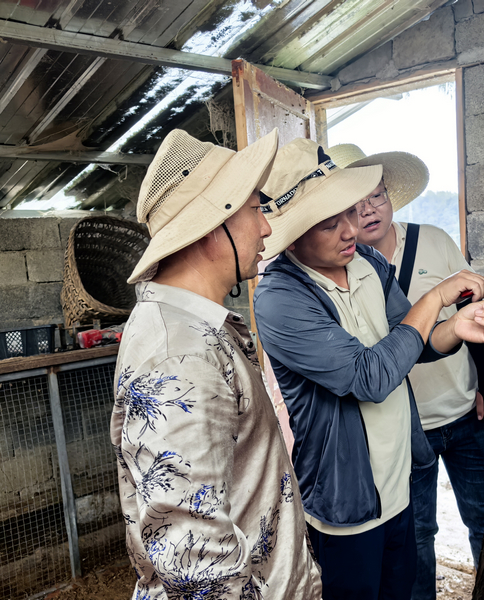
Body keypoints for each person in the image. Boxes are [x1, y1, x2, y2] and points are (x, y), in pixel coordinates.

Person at [252, 138, 484, 600]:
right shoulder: (280, 299)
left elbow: (409, 342)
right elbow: (370, 378)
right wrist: (435, 298)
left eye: (349, 214)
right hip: (347, 504)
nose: (351, 229)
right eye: (331, 223)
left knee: (404, 586)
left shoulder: (367, 263)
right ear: (293, 234)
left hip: (397, 483)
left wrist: (457, 326)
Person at [111, 128, 322, 600]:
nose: (266, 227)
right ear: (215, 223)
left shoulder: (192, 328)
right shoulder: (182, 357)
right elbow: (195, 555)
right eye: (254, 209)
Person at [327, 143, 484, 600]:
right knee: (418, 537)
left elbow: (473, 313)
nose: (368, 211)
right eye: (353, 205)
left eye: (377, 197)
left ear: (390, 198)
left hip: (463, 413)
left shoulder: (434, 240)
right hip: (405, 430)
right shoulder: (348, 276)